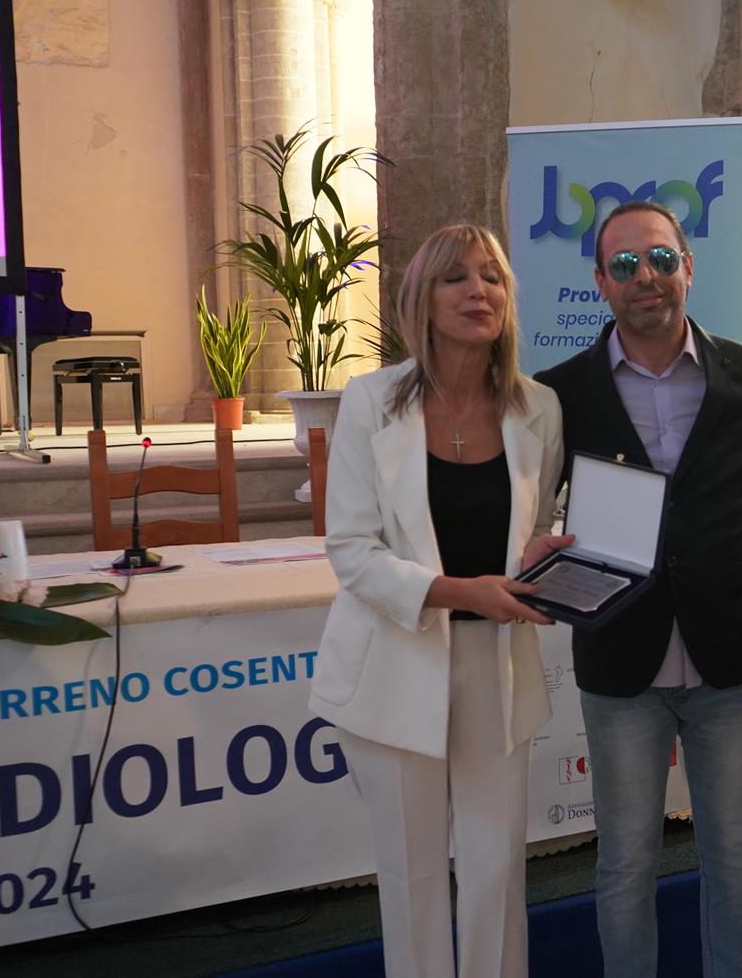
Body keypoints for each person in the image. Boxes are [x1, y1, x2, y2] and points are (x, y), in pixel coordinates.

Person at [535, 200, 742, 978]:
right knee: (625, 861)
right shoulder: (560, 391)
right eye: (626, 264)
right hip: (621, 659)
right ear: (601, 281)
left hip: (728, 659)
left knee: (734, 853)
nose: (647, 277)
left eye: (662, 259)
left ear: (689, 268)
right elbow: (525, 510)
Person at [309, 224, 572, 978]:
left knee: (496, 872)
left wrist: (544, 557)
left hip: (498, 664)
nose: (477, 292)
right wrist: (460, 591)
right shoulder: (371, 401)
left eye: (492, 278)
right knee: (414, 879)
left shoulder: (539, 407)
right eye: (456, 277)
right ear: (421, 299)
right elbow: (351, 549)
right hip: (395, 662)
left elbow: (537, 525)